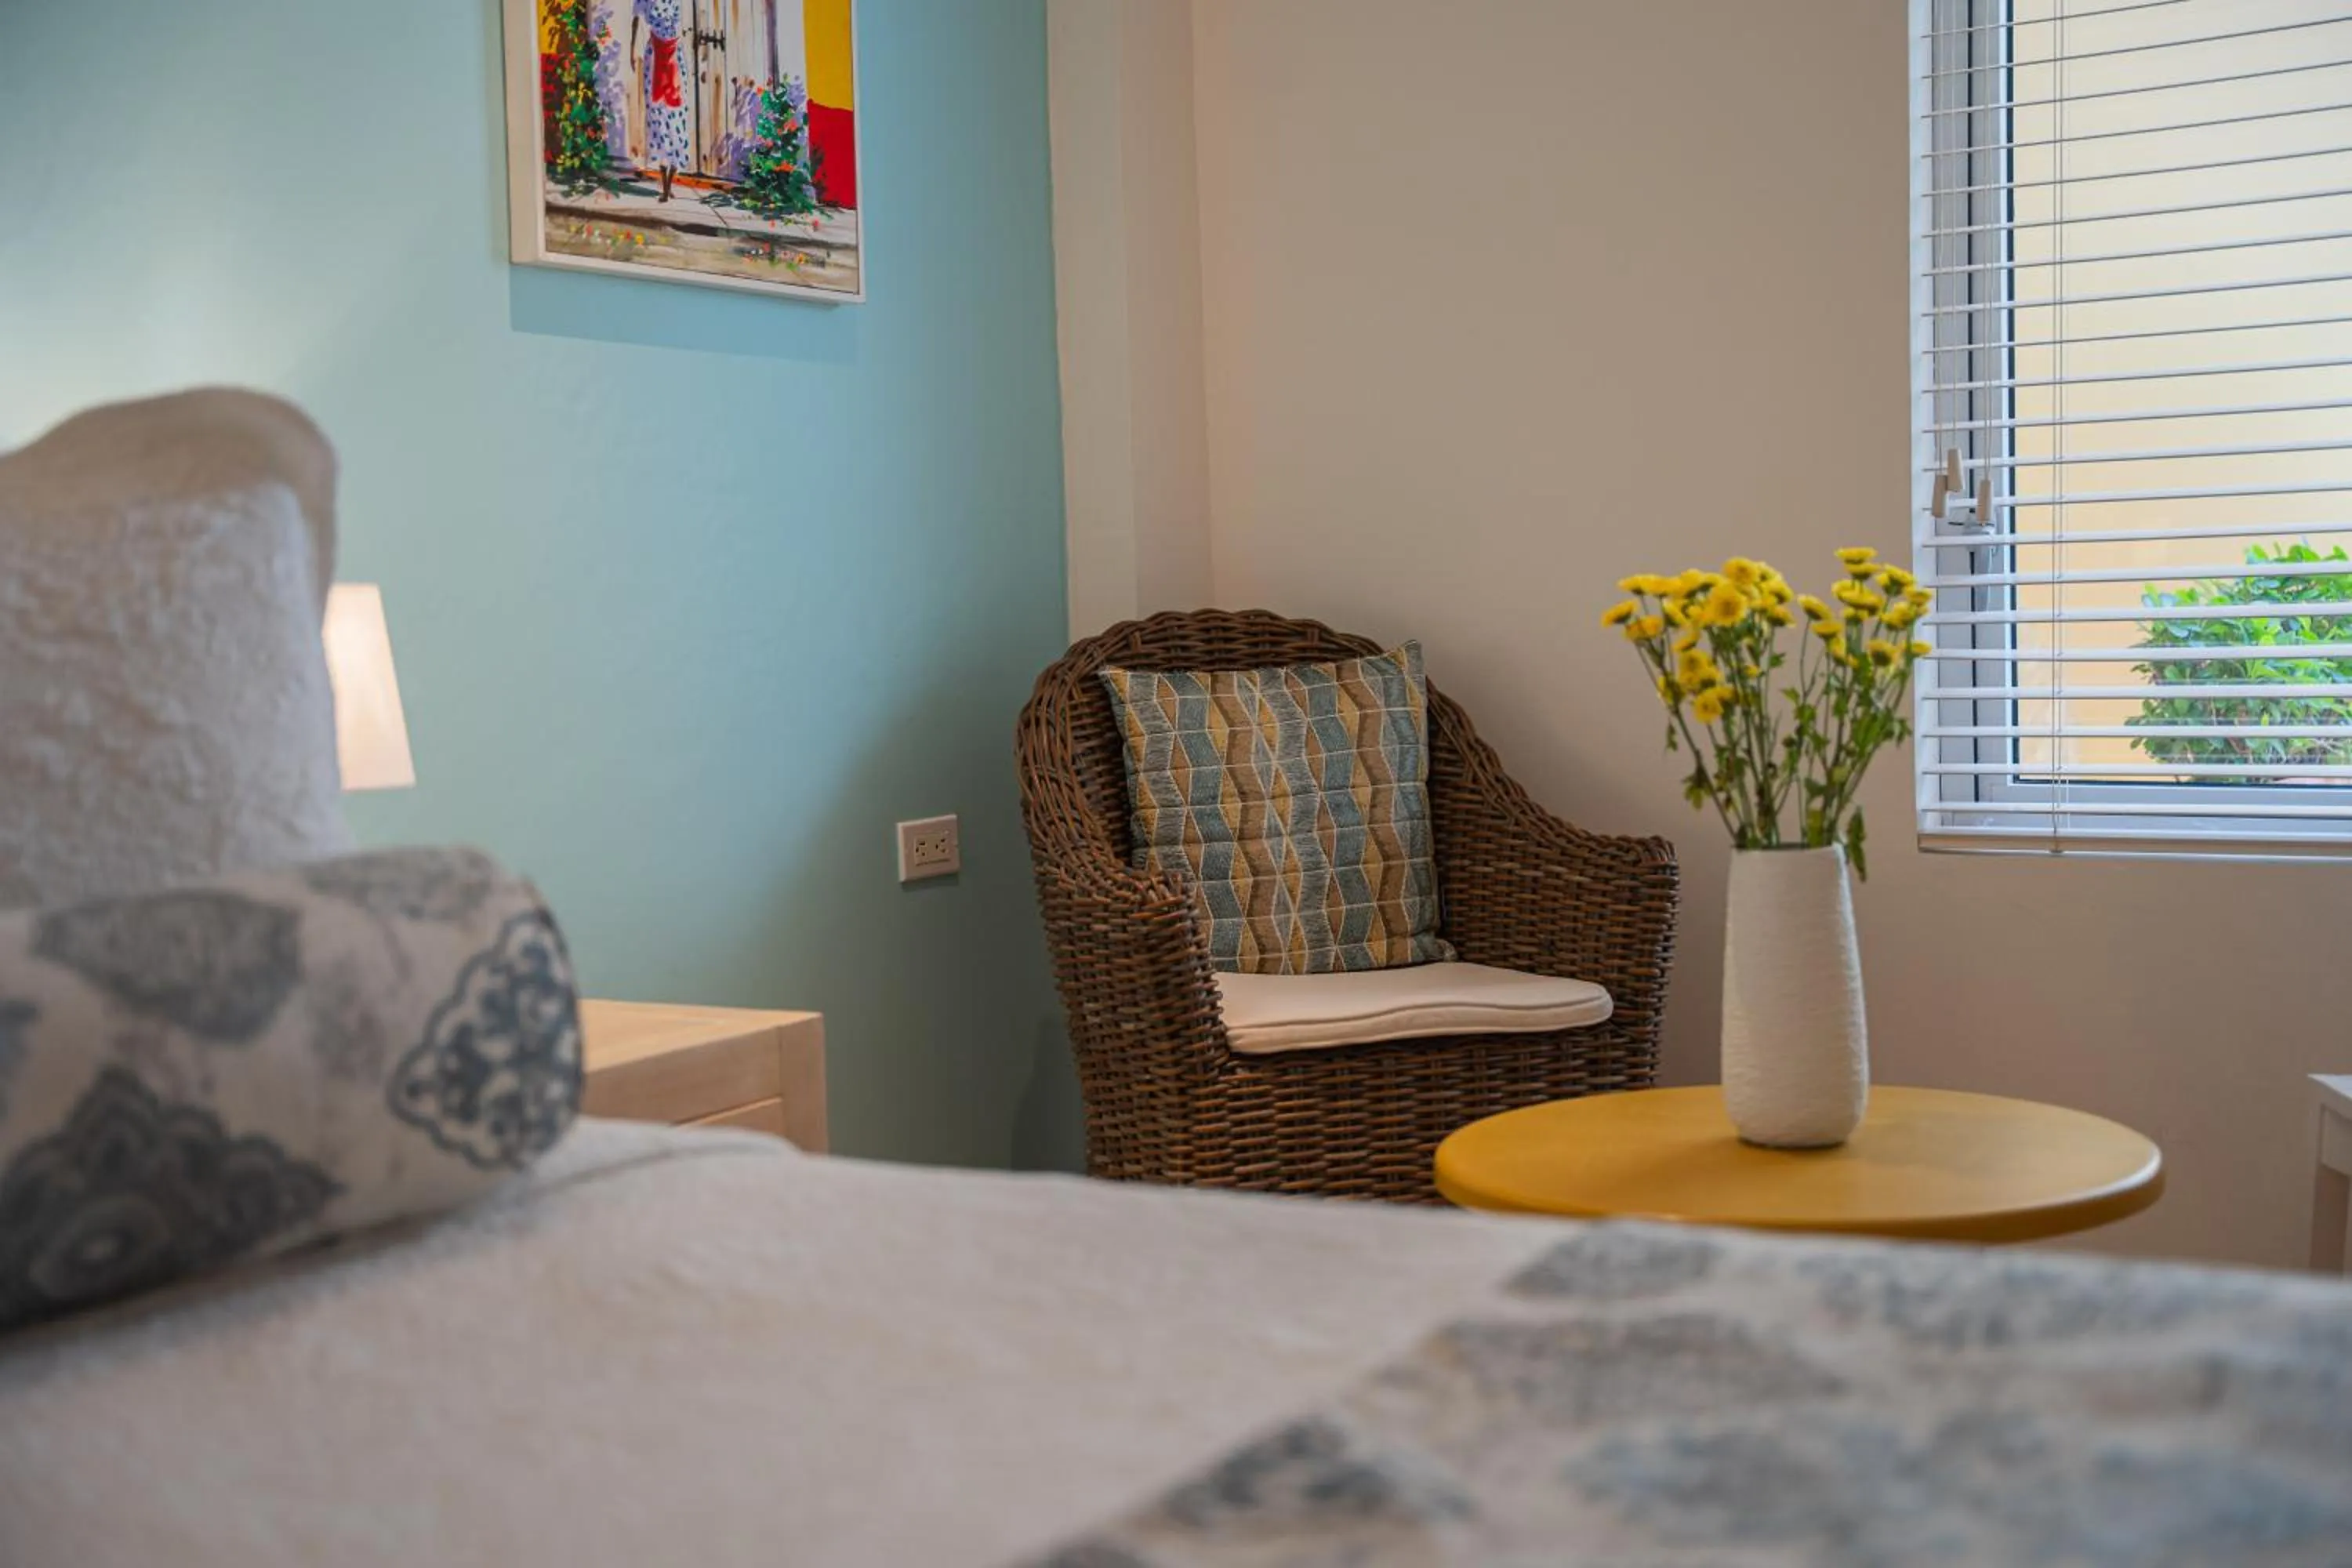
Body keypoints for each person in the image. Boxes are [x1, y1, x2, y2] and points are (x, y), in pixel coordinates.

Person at [630, 0, 691, 201]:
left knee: (677, 118)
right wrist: (632, 50)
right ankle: (665, 184)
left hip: (674, 57)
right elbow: (636, 20)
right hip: (655, 56)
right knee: (658, 119)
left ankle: (670, 181)